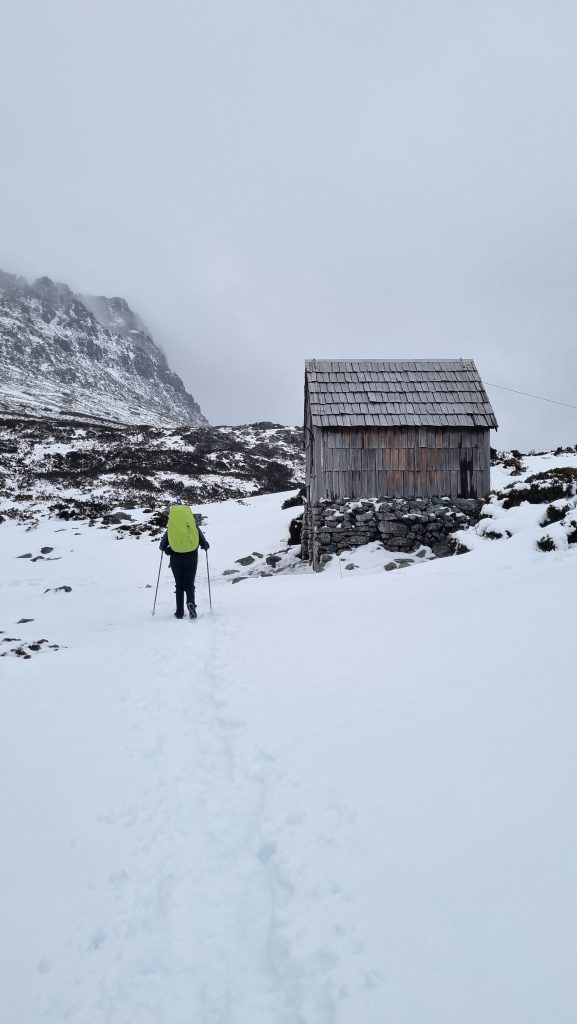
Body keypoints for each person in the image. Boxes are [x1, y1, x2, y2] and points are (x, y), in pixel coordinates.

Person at [159, 497, 210, 619]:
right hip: (191, 557)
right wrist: (205, 546)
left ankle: (180, 612)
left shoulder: (172, 527)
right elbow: (203, 541)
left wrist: (165, 549)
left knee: (179, 584)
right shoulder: (191, 525)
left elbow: (162, 545)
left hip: (176, 558)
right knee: (189, 583)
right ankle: (191, 603)